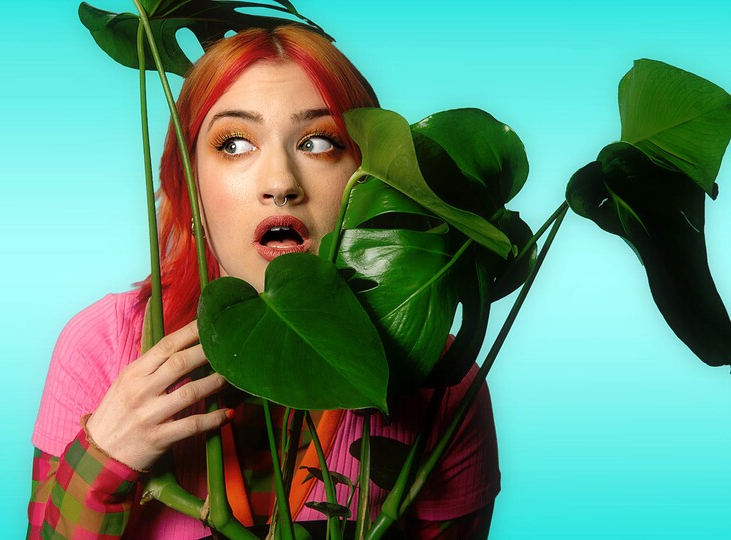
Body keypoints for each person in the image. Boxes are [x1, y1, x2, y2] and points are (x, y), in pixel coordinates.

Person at [27, 25, 500, 539]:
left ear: (368, 180)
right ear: (191, 187)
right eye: (234, 144)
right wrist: (105, 457)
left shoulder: (442, 387)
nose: (280, 183)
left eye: (318, 142)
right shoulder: (102, 347)